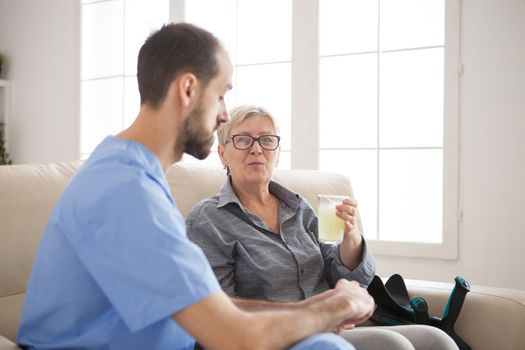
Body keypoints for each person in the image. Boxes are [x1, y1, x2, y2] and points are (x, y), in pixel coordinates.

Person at [16, 23, 374, 350]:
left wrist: (318, 304)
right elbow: (235, 337)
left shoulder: (132, 175)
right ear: (188, 89)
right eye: (220, 95)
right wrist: (342, 303)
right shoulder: (125, 192)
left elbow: (211, 305)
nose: (223, 113)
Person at [186, 104, 459, 350]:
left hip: (333, 328)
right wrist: (310, 315)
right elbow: (221, 312)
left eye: (267, 140)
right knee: (392, 344)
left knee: (438, 341)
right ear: (223, 154)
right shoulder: (208, 219)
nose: (257, 148)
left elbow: (349, 282)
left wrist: (350, 239)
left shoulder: (299, 209)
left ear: (277, 153)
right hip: (276, 337)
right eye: (243, 139)